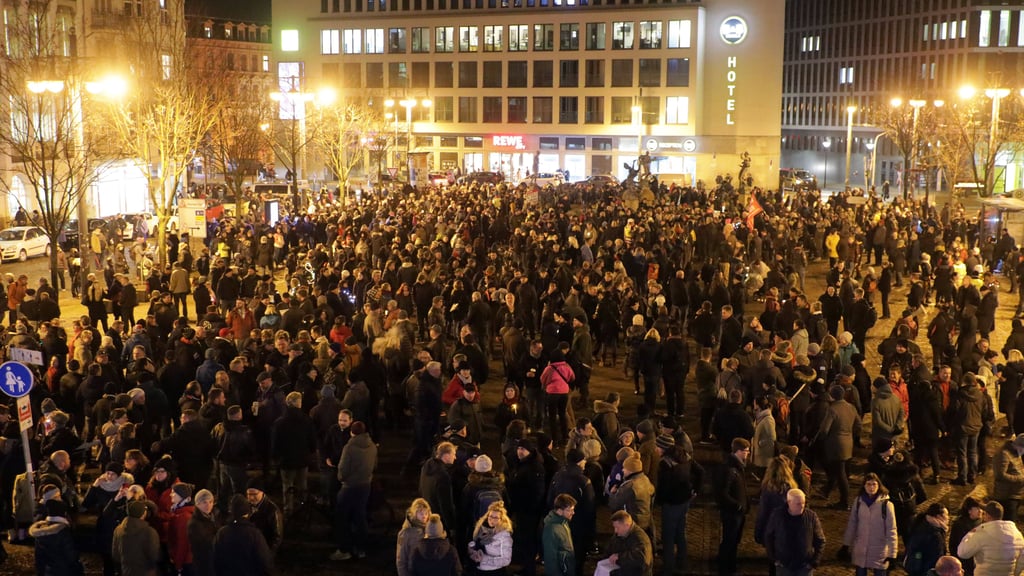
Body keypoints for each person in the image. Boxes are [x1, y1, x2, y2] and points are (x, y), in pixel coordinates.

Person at [656, 432, 702, 576]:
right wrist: (695, 490)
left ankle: (668, 568)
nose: (655, 449)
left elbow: (664, 486)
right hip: (685, 500)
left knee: (668, 537)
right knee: (680, 532)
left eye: (657, 446)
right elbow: (700, 471)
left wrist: (660, 500)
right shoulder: (685, 456)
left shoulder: (665, 463)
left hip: (671, 504)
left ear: (663, 448)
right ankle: (682, 561)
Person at [333, 420, 377, 561]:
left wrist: (341, 478)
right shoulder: (372, 446)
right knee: (360, 516)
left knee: (341, 517)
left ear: (352, 432)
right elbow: (375, 465)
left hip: (349, 486)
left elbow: (343, 469)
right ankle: (361, 548)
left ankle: (344, 549)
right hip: (365, 485)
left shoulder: (349, 447)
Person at [840, 473, 898, 576]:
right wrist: (846, 544)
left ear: (879, 485)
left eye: (874, 484)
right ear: (864, 486)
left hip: (879, 550)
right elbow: (852, 524)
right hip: (861, 549)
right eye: (868, 484)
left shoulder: (887, 505)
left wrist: (892, 554)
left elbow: (891, 530)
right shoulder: (858, 502)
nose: (871, 487)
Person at [763, 489, 825, 576]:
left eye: (803, 503)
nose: (802, 506)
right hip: (783, 565)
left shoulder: (811, 516)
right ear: (789, 502)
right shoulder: (778, 515)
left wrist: (815, 561)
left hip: (804, 566)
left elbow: (820, 540)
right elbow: (769, 536)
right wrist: (773, 558)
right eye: (798, 504)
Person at [213, 495, 276, 576]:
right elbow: (265, 561)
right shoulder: (254, 534)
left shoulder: (222, 533)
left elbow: (215, 560)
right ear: (247, 513)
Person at [957, 501, 1024, 576]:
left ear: (988, 516)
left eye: (984, 514)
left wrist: (970, 534)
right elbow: (1022, 561)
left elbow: (962, 553)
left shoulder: (981, 534)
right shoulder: (1018, 534)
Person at [715, 438, 750, 576]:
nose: (748, 453)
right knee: (729, 540)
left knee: (734, 540)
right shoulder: (730, 469)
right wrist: (737, 505)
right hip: (732, 513)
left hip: (737, 512)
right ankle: (725, 567)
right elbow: (722, 493)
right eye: (746, 451)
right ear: (739, 451)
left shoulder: (738, 467)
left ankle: (731, 564)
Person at [30, 499, 84, 576]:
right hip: (64, 571)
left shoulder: (41, 532)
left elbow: (39, 558)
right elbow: (71, 556)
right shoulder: (63, 531)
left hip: (47, 572)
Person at [600, 510, 653, 576]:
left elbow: (642, 559)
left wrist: (619, 557)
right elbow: (609, 550)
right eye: (614, 527)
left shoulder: (640, 538)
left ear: (626, 525)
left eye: (617, 527)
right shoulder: (619, 535)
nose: (615, 531)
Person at [468, 501, 514, 576]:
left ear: (501, 520)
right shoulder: (481, 529)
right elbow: (476, 544)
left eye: (496, 517)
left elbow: (506, 560)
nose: (492, 519)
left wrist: (484, 559)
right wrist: (471, 550)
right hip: (478, 569)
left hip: (494, 572)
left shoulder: (504, 536)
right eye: (490, 516)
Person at [904, 503, 950, 576]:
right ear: (938, 516)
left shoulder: (923, 524)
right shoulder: (934, 532)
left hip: (919, 567)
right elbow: (936, 555)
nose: (948, 517)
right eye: (946, 515)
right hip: (926, 570)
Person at [992, 433, 1024, 523]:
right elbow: (1000, 475)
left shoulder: (1015, 453)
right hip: (1006, 496)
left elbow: (1017, 469)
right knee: (1008, 525)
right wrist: (1021, 479)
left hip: (1016, 494)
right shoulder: (1003, 454)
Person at [188, 489, 221, 576]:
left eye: (210, 502)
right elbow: (203, 544)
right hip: (203, 564)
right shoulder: (194, 523)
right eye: (204, 502)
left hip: (215, 562)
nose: (208, 505)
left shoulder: (214, 518)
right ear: (197, 504)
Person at [542, 494, 576, 576]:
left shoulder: (564, 521)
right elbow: (550, 559)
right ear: (560, 511)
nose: (573, 513)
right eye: (569, 510)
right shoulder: (551, 530)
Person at [949, 496, 983, 576]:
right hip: (964, 562)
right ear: (969, 511)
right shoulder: (959, 524)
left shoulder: (982, 522)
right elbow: (953, 545)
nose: (981, 511)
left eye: (981, 508)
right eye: (977, 508)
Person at [397, 498, 432, 576]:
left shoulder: (432, 529)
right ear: (414, 514)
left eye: (426, 513)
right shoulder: (406, 533)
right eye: (421, 513)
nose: (424, 516)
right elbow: (401, 559)